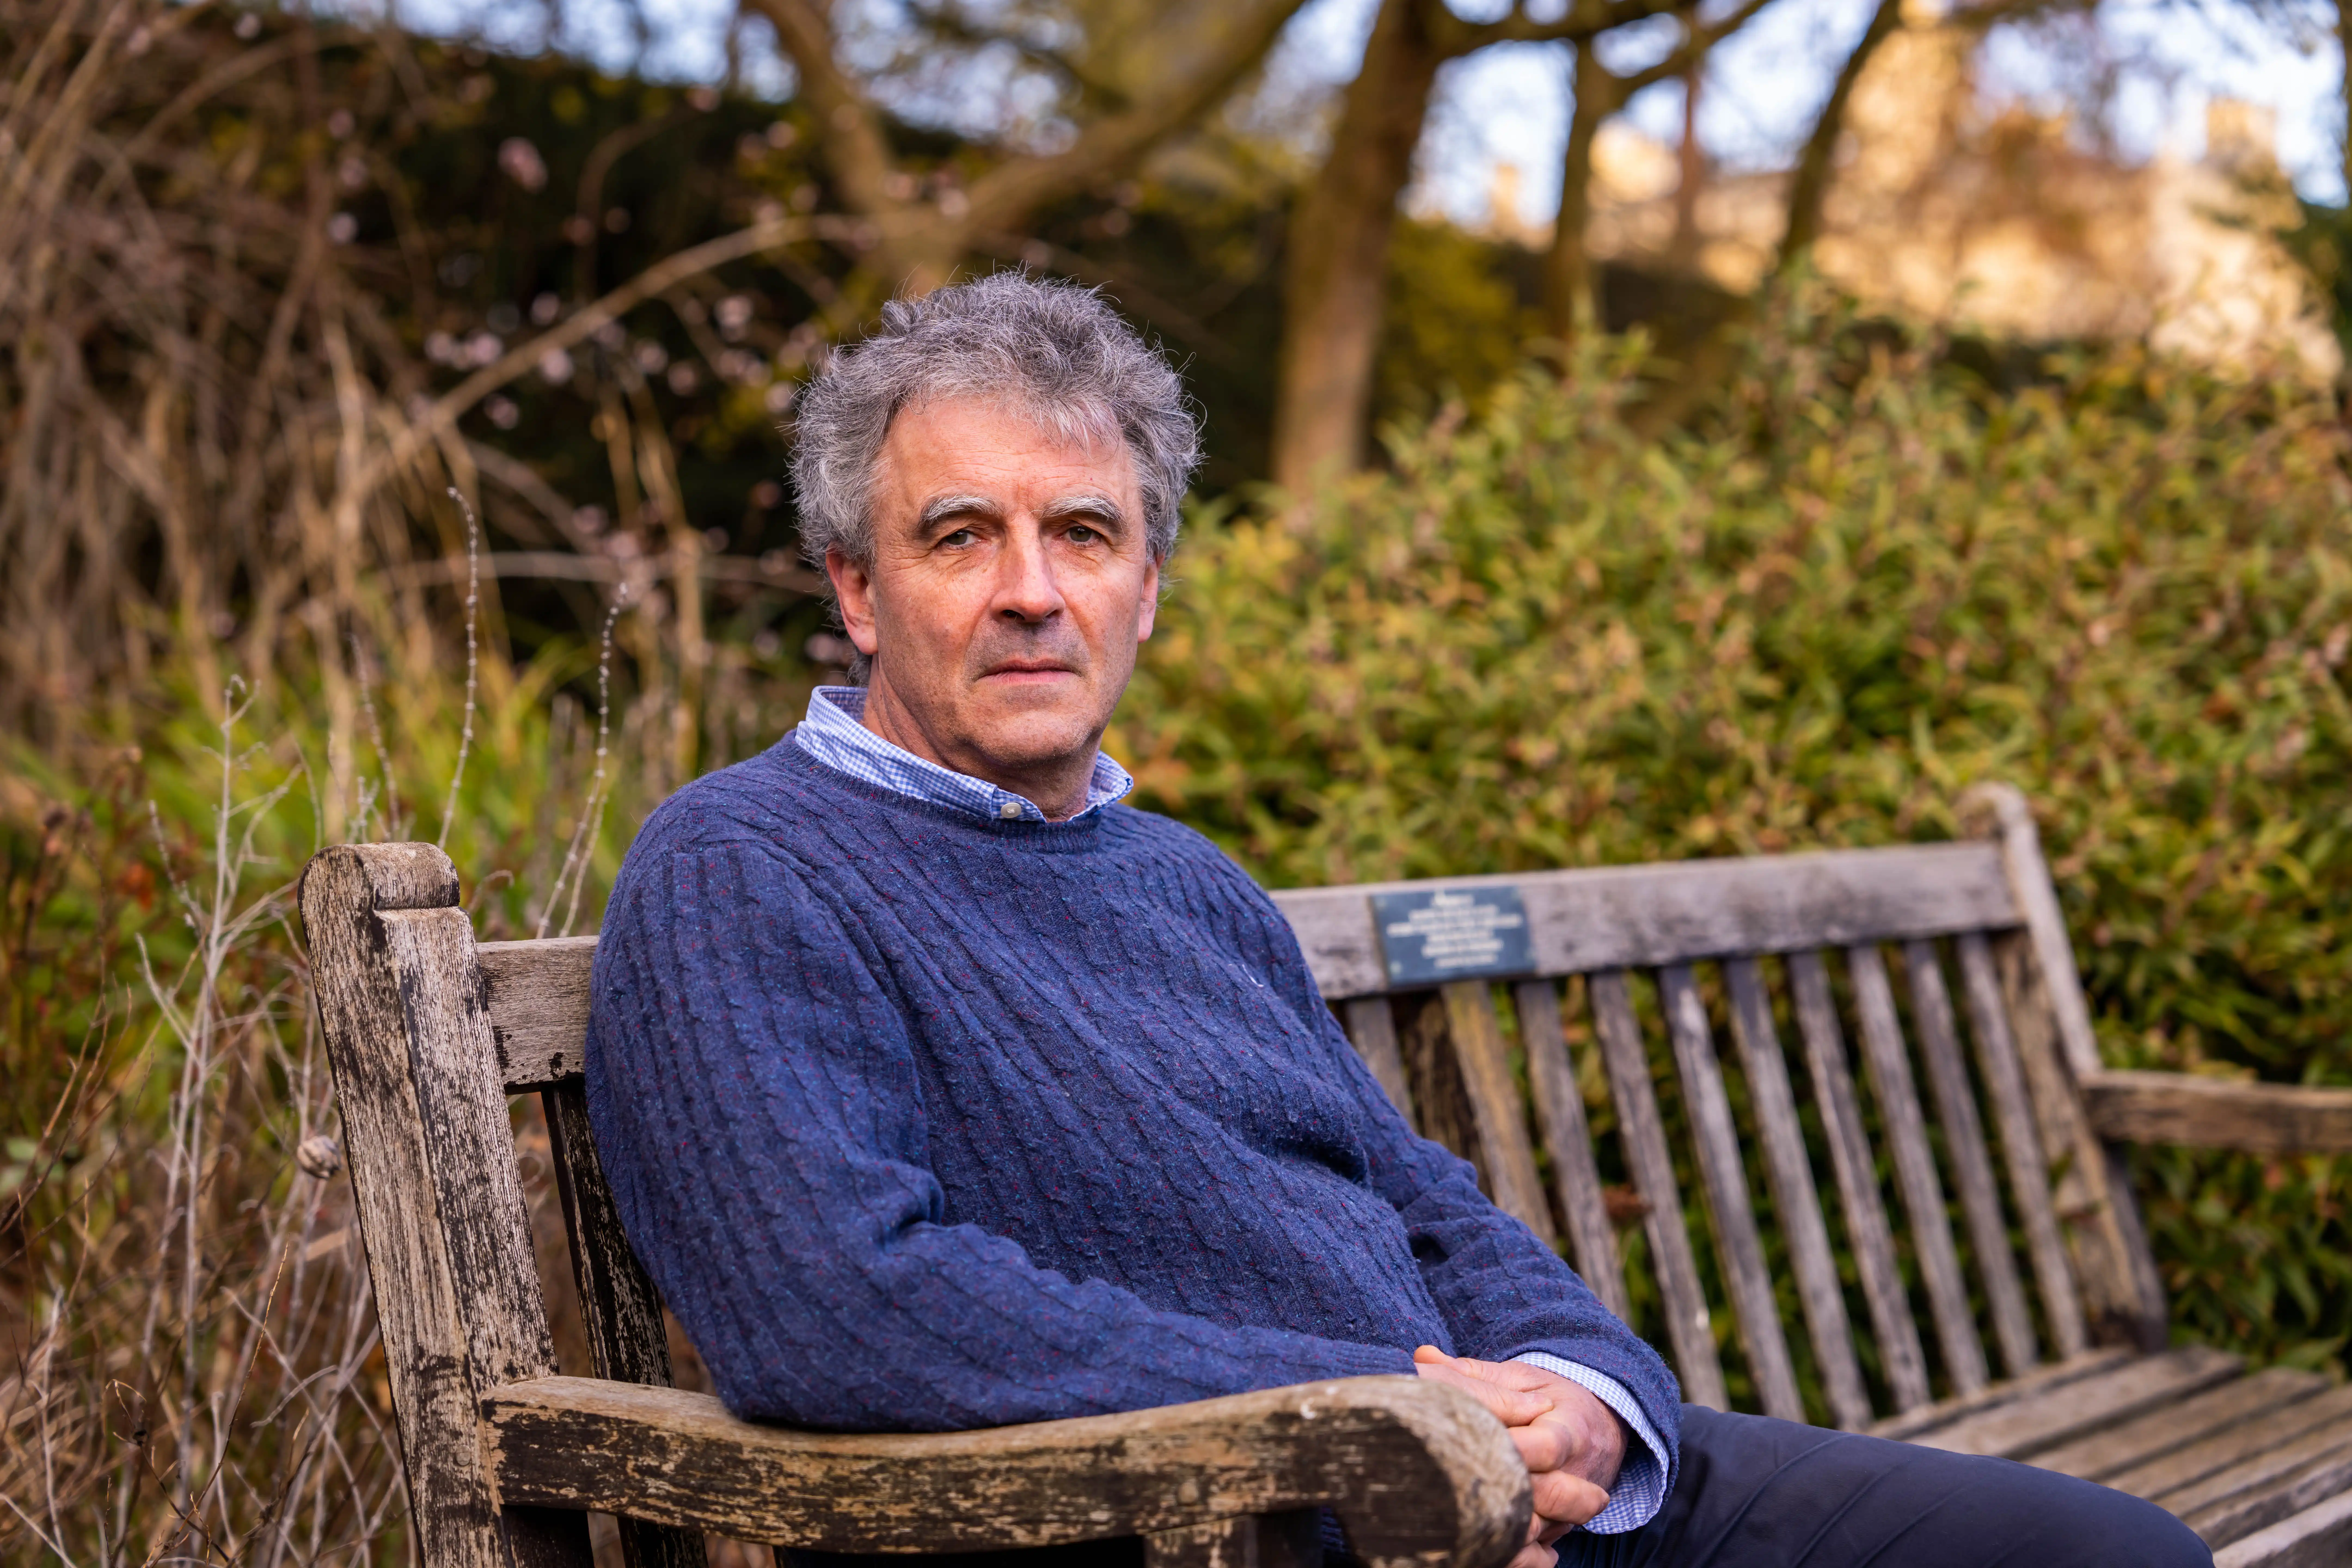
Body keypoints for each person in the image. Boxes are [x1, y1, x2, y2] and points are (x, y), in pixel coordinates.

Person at [584, 272, 2210, 1568]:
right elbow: (842, 1303)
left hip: (1490, 1483)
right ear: (858, 588)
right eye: (961, 535)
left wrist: (1583, 1401)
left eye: (1083, 533)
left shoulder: (1184, 880)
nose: (1032, 590)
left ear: (1146, 587)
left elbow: (1421, 1205)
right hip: (1240, 1522)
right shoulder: (745, 867)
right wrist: (1368, 1430)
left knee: (2115, 1551)